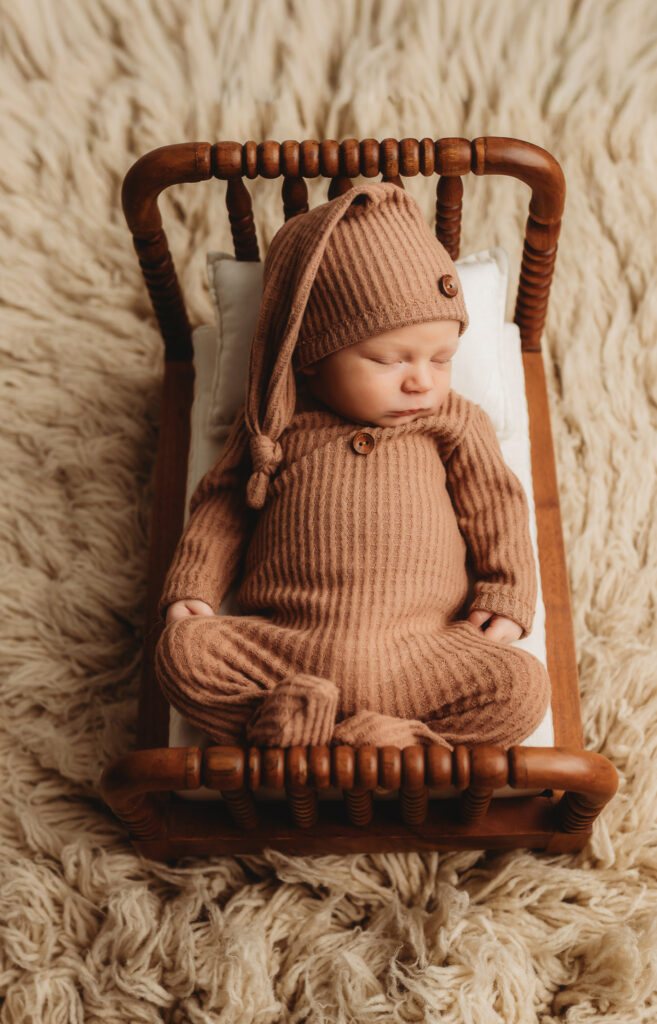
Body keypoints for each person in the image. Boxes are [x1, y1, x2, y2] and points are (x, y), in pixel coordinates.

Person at [154, 181, 550, 751]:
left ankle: (397, 740)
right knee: (182, 653)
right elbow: (224, 502)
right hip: (288, 650)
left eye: (442, 359)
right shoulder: (274, 418)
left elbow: (497, 506)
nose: (422, 380)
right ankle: (292, 719)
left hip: (423, 650)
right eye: (389, 360)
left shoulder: (455, 422)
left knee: (521, 688)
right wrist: (195, 583)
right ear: (311, 356)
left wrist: (507, 593)